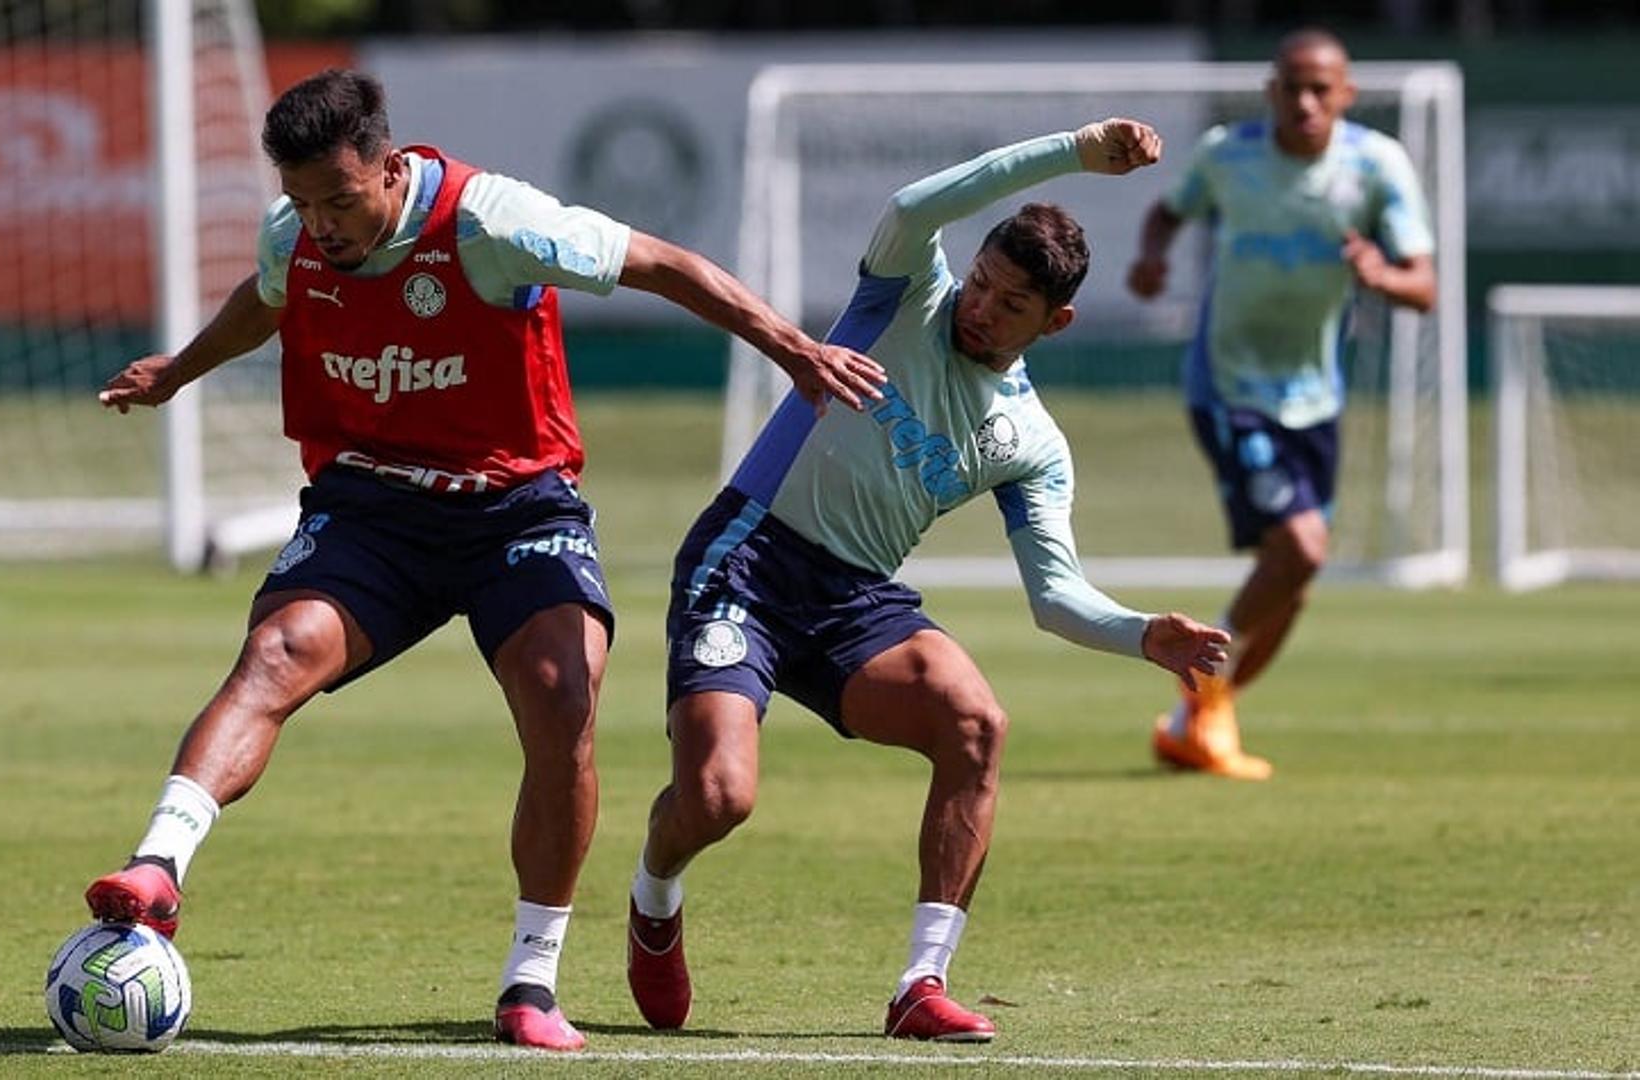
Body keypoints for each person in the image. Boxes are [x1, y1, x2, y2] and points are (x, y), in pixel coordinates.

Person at [83, 68, 886, 1052]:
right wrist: (179, 370)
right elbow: (268, 298)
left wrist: (793, 347)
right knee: (277, 652)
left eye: (340, 199)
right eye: (302, 202)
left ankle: (531, 983)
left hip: (517, 508)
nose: (321, 224)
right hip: (373, 506)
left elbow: (659, 262)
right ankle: (158, 869)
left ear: (390, 166)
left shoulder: (490, 221)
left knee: (564, 694)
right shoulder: (294, 236)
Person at [622, 118, 1232, 1042]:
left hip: (855, 601)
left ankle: (921, 984)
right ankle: (654, 897)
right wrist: (1075, 150)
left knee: (977, 721)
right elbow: (918, 204)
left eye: (1011, 303)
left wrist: (1140, 632)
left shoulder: (1033, 445)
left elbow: (1054, 595)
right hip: (746, 558)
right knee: (718, 800)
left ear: (1055, 323)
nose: (981, 307)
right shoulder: (906, 290)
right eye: (983, 281)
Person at [1125, 28, 1437, 781]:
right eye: (1291, 86)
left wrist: (1378, 272)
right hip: (1230, 387)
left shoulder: (1375, 164)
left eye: (1320, 88)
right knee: (1301, 548)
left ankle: (1190, 723)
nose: (1305, 101)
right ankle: (1201, 676)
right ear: (1270, 92)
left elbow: (1422, 286)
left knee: (1292, 584)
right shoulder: (1227, 155)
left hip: (1314, 396)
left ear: (1346, 95)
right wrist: (1152, 257)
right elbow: (1170, 210)